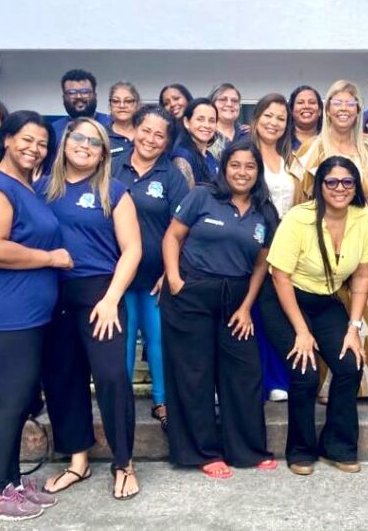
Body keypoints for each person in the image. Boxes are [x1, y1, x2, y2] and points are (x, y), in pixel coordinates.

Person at [0, 111, 70, 521]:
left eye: (42, 143)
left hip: (25, 316)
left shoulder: (26, 186)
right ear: (6, 139)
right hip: (1, 316)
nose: (34, 148)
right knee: (9, 403)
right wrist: (49, 257)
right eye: (26, 139)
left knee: (20, 400)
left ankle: (9, 483)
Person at [160, 141, 280, 479]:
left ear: (258, 173)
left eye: (250, 167)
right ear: (224, 168)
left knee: (244, 373)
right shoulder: (202, 196)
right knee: (194, 375)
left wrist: (246, 307)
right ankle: (202, 452)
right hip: (191, 293)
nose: (242, 172)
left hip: (237, 299)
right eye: (235, 165)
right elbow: (172, 237)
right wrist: (173, 279)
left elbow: (261, 265)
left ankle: (247, 450)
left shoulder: (265, 212)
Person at [39, 118, 142, 500]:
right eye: (78, 137)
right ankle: (77, 462)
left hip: (101, 295)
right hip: (52, 295)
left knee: (113, 377)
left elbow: (132, 249)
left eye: (94, 142)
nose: (84, 145)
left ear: (103, 153)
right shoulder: (41, 190)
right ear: (65, 142)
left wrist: (112, 298)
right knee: (64, 379)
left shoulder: (114, 191)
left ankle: (124, 463)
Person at [260, 156, 368, 475]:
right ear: (320, 186)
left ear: (356, 186)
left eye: (347, 182)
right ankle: (300, 450)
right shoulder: (300, 217)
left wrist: (354, 327)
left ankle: (337, 446)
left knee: (350, 366)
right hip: (285, 298)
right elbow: (280, 276)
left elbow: (363, 277)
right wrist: (301, 331)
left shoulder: (364, 219)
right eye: (332, 181)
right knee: (305, 371)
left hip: (326, 300)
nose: (340, 188)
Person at [297, 79, 368, 397]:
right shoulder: (313, 148)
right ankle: (329, 382)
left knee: (366, 305)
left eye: (349, 104)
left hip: (365, 235)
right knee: (334, 304)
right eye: (336, 103)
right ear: (327, 109)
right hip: (324, 236)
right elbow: (301, 200)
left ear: (358, 109)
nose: (343, 110)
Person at [112, 105, 191, 428]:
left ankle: (163, 401)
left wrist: (169, 270)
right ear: (134, 130)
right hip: (117, 276)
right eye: (146, 130)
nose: (151, 139)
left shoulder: (171, 177)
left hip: (155, 278)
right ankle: (119, 403)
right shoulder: (111, 167)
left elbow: (184, 229)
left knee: (159, 341)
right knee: (122, 343)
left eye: (160, 135)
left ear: (167, 141)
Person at [250, 94, 304, 401]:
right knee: (255, 310)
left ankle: (278, 377)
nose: (274, 123)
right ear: (256, 119)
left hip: (287, 242)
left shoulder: (289, 158)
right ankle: (258, 378)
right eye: (268, 116)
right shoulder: (246, 154)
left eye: (281, 118)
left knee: (279, 310)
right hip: (256, 241)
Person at [50, 69, 112, 167]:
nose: (79, 96)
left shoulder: (112, 124)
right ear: (64, 98)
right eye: (72, 93)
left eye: (85, 92)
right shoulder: (53, 130)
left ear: (95, 96)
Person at [172, 98, 220, 186]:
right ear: (186, 122)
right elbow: (187, 198)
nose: (207, 125)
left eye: (212, 121)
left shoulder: (209, 156)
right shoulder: (182, 157)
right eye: (200, 119)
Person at [210, 83, 251, 157]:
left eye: (234, 101)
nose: (229, 104)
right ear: (212, 104)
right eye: (223, 99)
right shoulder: (205, 134)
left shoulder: (248, 134)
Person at [106, 81, 140, 155]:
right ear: (110, 105)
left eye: (128, 101)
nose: (122, 106)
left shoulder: (146, 133)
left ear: (137, 104)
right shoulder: (102, 135)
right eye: (116, 101)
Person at [289, 85, 323, 151]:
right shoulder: (281, 142)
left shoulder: (330, 141)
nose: (306, 106)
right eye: (300, 102)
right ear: (291, 110)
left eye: (312, 102)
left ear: (320, 111)